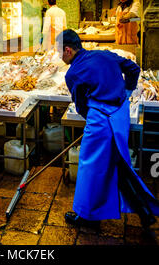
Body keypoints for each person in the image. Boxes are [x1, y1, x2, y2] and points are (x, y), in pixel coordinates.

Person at [57, 29, 159, 230]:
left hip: (100, 121)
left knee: (90, 167)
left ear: (68, 50)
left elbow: (82, 106)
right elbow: (133, 69)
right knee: (118, 163)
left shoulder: (73, 73)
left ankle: (86, 215)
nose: (60, 56)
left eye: (60, 52)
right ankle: (145, 212)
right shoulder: (105, 54)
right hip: (120, 115)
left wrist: (94, 121)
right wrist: (127, 91)